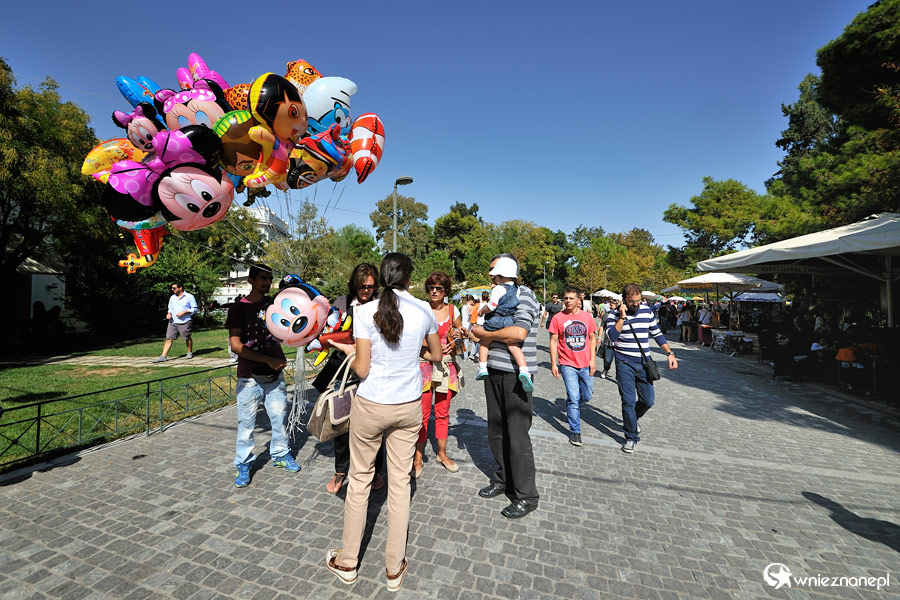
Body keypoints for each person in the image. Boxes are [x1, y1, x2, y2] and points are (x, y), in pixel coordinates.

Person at [325, 253, 442, 592]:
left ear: (382, 276)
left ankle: (348, 562)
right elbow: (435, 354)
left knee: (360, 480)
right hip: (407, 406)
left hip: (372, 404)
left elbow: (361, 369)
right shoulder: (423, 310)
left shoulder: (363, 311)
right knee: (400, 485)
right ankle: (394, 567)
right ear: (409, 277)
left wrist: (352, 353)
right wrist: (413, 353)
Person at [467, 254, 540, 519]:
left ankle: (526, 495)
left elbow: (518, 333)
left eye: (493, 270)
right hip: (494, 370)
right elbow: (473, 331)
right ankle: (503, 479)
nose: (490, 274)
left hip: (516, 374)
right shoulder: (496, 294)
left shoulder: (525, 294)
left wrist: (485, 333)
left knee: (517, 435)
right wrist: (479, 331)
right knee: (496, 430)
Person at [226, 265, 300, 487]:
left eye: (270, 278)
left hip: (274, 375)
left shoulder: (273, 306)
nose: (267, 283)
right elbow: (236, 345)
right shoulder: (238, 308)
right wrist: (267, 359)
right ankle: (244, 463)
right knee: (246, 424)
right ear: (250, 280)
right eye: (262, 278)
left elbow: (289, 330)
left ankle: (280, 455)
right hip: (249, 377)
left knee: (279, 419)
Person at [317, 263, 385, 495]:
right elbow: (326, 332)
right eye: (362, 286)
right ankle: (340, 471)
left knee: (374, 425)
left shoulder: (381, 304)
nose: (366, 290)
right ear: (354, 283)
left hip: (372, 372)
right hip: (343, 370)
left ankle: (376, 469)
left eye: (371, 286)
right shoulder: (341, 303)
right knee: (341, 422)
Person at [605, 284, 678, 454]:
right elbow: (611, 337)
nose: (636, 304)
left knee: (648, 401)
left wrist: (669, 353)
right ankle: (631, 436)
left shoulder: (647, 311)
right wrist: (622, 317)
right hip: (624, 364)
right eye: (631, 302)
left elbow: (657, 333)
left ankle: (632, 419)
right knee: (628, 401)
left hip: (645, 363)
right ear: (624, 301)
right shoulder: (613, 315)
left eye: (638, 301)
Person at [414, 272, 463, 477]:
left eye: (439, 288)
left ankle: (442, 454)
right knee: (423, 414)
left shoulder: (453, 311)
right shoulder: (420, 309)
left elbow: (460, 347)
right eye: (431, 288)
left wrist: (459, 339)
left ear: (445, 291)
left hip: (446, 368)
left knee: (442, 413)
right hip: (424, 366)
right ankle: (417, 458)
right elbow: (413, 338)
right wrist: (433, 346)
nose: (434, 291)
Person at [475, 256, 532, 392]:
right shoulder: (517, 290)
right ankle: (524, 370)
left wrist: (482, 311)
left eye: (495, 276)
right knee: (513, 345)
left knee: (484, 341)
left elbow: (492, 305)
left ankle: (482, 367)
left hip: (496, 319)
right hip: (509, 321)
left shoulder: (498, 289)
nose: (493, 279)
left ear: (500, 277)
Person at [549, 286, 597, 446]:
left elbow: (592, 338)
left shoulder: (587, 317)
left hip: (585, 363)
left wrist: (593, 360)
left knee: (587, 396)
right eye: (566, 298)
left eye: (571, 298)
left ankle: (571, 403)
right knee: (574, 398)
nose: (567, 301)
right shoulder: (558, 318)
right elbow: (553, 341)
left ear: (578, 300)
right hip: (567, 363)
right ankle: (575, 431)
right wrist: (554, 363)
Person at [153, 282, 198, 362]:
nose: (172, 289)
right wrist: (169, 314)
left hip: (185, 321)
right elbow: (170, 308)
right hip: (173, 321)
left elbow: (194, 308)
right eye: (172, 288)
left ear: (180, 288)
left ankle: (189, 352)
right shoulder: (172, 297)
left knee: (187, 337)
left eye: (174, 288)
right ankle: (163, 356)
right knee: (168, 338)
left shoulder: (189, 297)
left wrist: (184, 312)